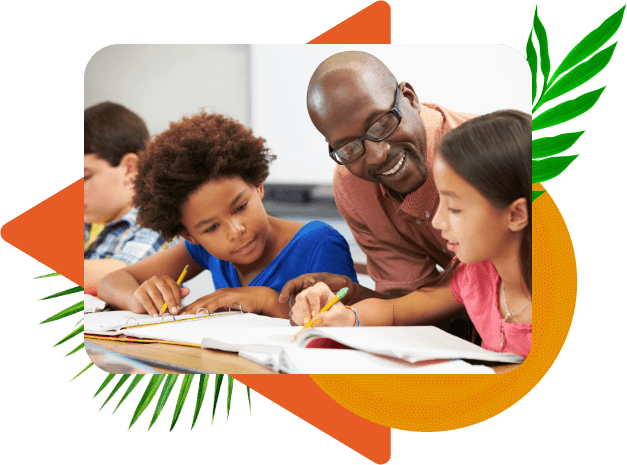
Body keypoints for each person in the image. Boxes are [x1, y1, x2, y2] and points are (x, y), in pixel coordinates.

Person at [290, 110, 532, 358]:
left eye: (455, 208)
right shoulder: (477, 275)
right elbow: (395, 310)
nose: (437, 222)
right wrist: (348, 317)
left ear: (515, 215)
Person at [97, 111, 358, 319]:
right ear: (189, 234)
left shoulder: (319, 243)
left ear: (258, 185)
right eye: (211, 228)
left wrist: (264, 300)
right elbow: (112, 281)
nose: (235, 231)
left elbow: (341, 324)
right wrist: (137, 297)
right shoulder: (202, 250)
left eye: (240, 207)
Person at [279, 51, 478, 308]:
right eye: (349, 148)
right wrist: (352, 295)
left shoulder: (503, 154)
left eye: (382, 124)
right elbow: (411, 305)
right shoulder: (353, 187)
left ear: (410, 98)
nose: (377, 155)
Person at [84, 102, 180, 294]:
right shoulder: (89, 225)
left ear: (130, 168)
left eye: (85, 176)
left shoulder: (158, 222)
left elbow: (127, 275)